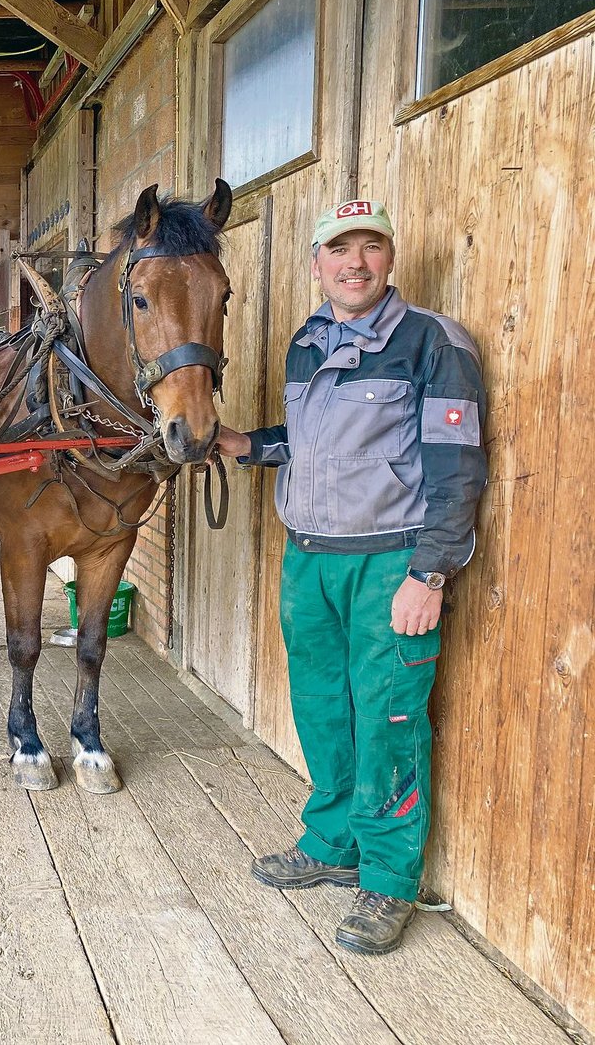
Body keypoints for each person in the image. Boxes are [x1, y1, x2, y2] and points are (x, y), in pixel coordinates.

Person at [215, 199, 487, 955]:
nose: (355, 263)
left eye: (370, 248)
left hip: (389, 564)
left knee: (390, 717)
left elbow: (458, 471)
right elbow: (311, 444)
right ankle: (332, 842)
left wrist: (428, 574)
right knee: (323, 711)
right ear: (317, 264)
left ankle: (389, 880)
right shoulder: (310, 342)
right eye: (340, 250)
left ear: (389, 259)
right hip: (310, 558)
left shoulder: (431, 343)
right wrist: (247, 444)